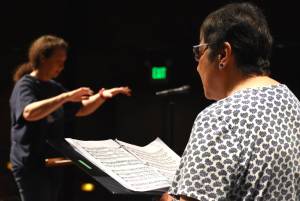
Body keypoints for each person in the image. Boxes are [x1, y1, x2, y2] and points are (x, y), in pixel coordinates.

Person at [161, 2, 300, 201]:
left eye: (199, 51)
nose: (197, 66)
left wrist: (166, 198)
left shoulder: (219, 118)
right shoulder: (292, 104)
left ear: (223, 54)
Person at [9, 35, 131, 201]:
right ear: (43, 57)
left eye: (64, 61)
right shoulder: (25, 85)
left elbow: (80, 109)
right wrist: (65, 96)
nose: (62, 65)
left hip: (51, 162)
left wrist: (102, 96)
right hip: (30, 164)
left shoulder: (54, 87)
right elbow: (29, 113)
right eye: (58, 60)